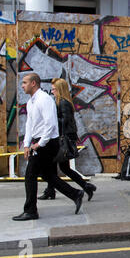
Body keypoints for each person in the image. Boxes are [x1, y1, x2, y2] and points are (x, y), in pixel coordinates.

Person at [12, 73, 84, 221]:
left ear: (33, 83)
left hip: (47, 143)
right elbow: (30, 125)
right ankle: (75, 194)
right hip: (40, 142)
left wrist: (39, 144)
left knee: (30, 175)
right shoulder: (31, 102)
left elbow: (50, 124)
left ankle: (31, 210)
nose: (22, 86)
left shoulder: (44, 100)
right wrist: (26, 144)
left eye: (25, 83)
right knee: (47, 175)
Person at [38, 78, 97, 201]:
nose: (52, 91)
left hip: (62, 139)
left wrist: (50, 120)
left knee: (60, 167)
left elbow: (65, 121)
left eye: (54, 89)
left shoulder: (63, 102)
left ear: (59, 89)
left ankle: (84, 187)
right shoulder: (60, 101)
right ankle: (52, 190)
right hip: (62, 137)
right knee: (56, 166)